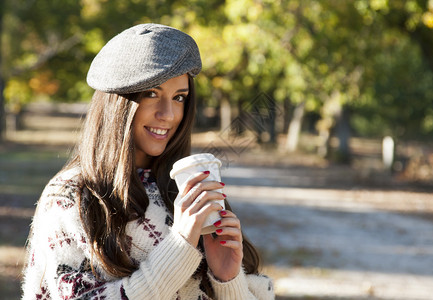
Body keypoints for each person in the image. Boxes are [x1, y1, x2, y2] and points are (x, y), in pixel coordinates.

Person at [21, 23, 274, 299]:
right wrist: (179, 246)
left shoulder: (187, 189)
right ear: (118, 102)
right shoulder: (72, 196)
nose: (168, 114)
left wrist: (228, 280)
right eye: (151, 94)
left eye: (179, 98)